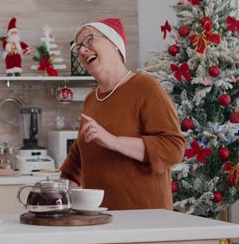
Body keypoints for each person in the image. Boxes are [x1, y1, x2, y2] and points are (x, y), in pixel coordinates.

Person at [60, 18, 185, 210]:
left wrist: (113, 141)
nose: (82, 51)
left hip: (145, 218)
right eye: (78, 48)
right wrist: (68, 202)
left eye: (89, 41)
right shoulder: (91, 100)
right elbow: (77, 157)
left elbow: (173, 148)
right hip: (100, 218)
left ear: (114, 44)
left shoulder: (145, 87)